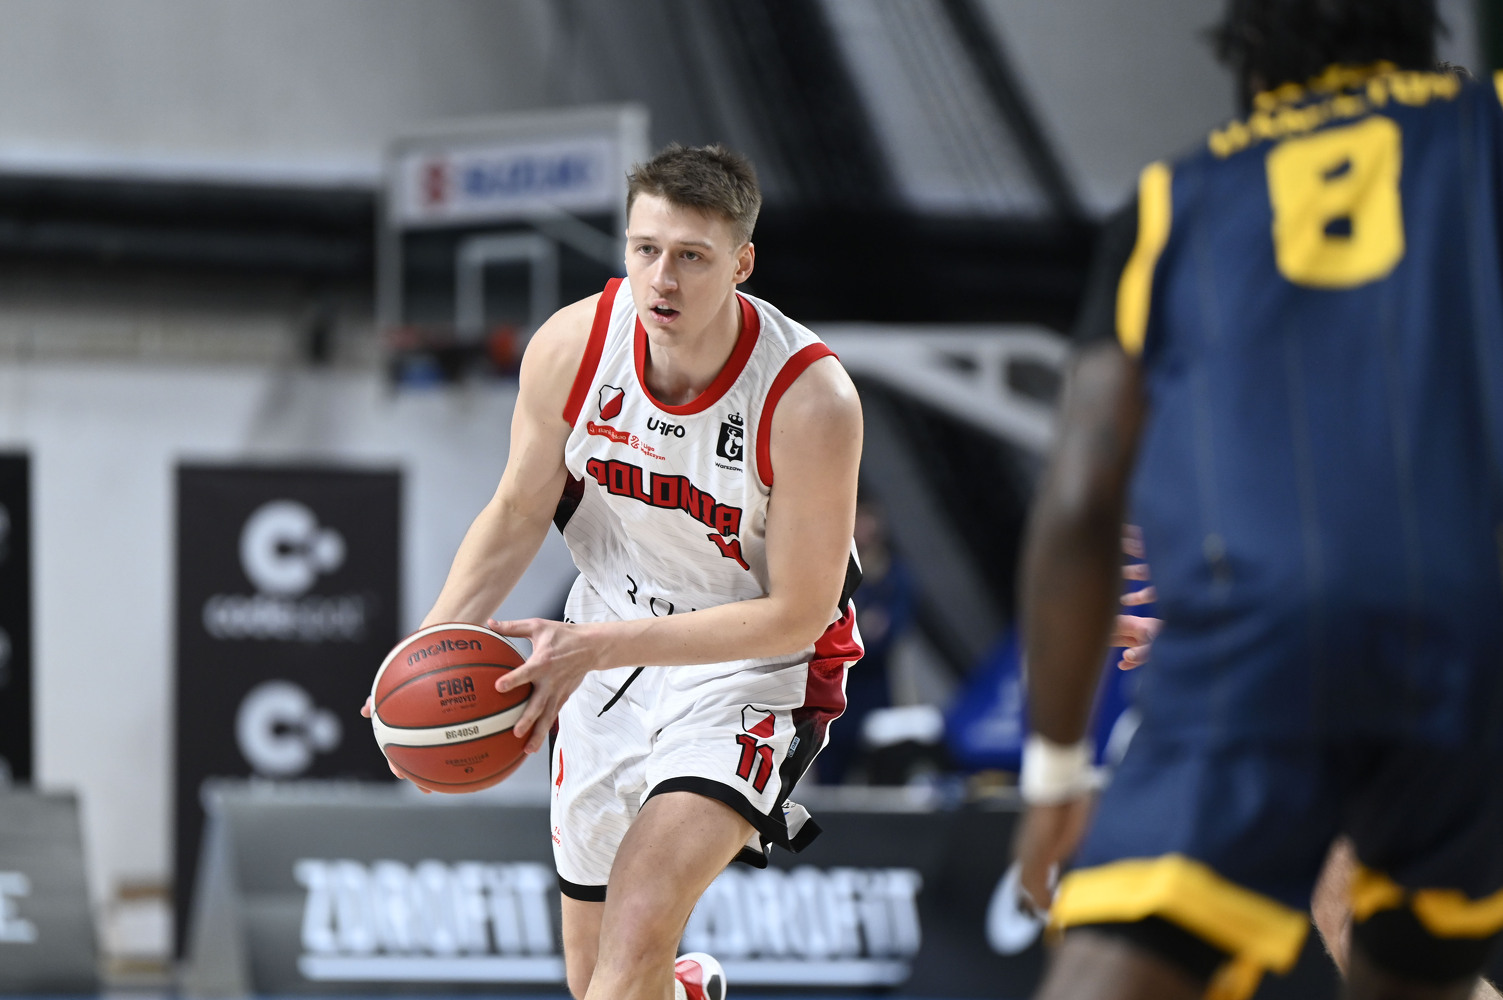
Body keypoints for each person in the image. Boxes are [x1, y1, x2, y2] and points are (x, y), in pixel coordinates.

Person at [1013, 1, 1503, 997]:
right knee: (1386, 936)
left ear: (1248, 62)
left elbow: (1078, 502)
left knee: (1121, 964)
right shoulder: (1477, 130)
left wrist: (1056, 773)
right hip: (1467, 629)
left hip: (1268, 643)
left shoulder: (1179, 199)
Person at [368, 144, 865, 1000]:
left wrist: (592, 647)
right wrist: (429, 643)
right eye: (645, 250)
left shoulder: (808, 399)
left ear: (741, 264)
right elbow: (518, 510)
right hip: (607, 644)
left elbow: (798, 613)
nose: (661, 279)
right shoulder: (573, 346)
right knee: (593, 974)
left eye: (691, 256)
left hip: (751, 668)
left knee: (636, 937)